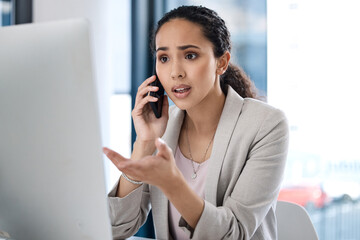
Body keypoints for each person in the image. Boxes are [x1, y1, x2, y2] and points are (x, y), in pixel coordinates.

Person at [104, 5, 289, 240]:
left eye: (190, 55)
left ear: (221, 62)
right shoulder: (164, 130)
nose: (175, 72)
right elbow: (113, 229)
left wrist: (173, 183)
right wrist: (145, 143)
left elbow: (235, 234)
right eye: (164, 58)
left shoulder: (265, 125)